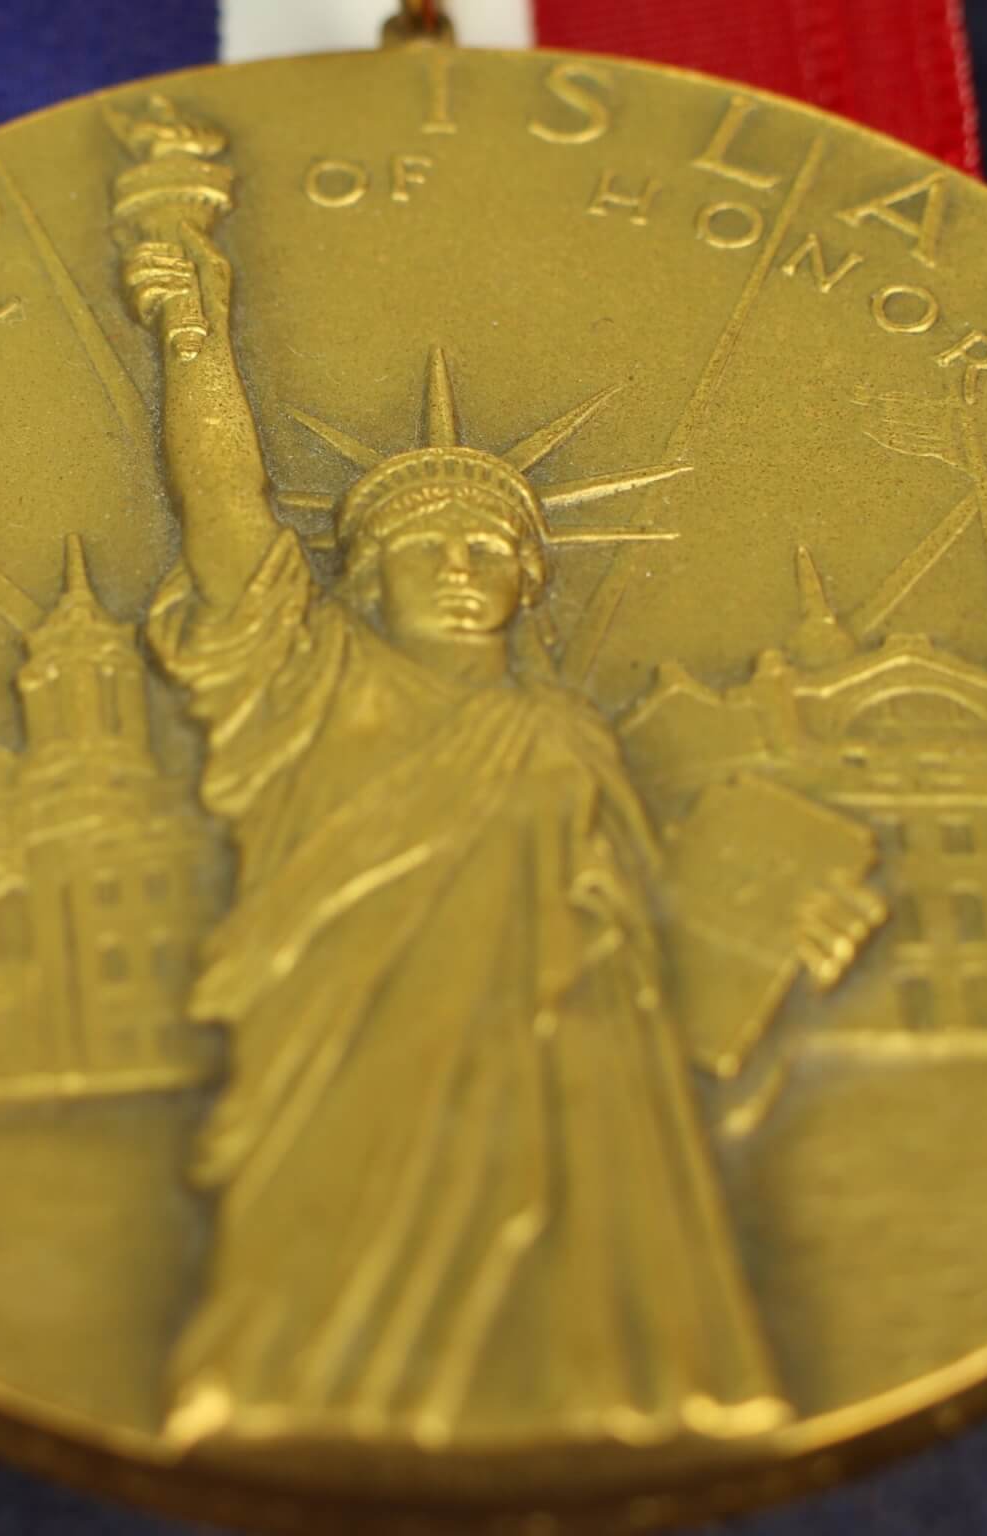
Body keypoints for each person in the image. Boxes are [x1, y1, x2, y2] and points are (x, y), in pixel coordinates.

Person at [121, 223, 791, 1450]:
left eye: (491, 549)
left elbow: (654, 934)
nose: (460, 567)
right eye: (423, 547)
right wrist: (194, 337)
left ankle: (621, 1377)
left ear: (532, 579)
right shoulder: (306, 683)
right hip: (347, 1059)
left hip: (577, 1081)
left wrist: (757, 923)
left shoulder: (567, 738)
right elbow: (222, 514)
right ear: (364, 576)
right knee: (310, 1301)